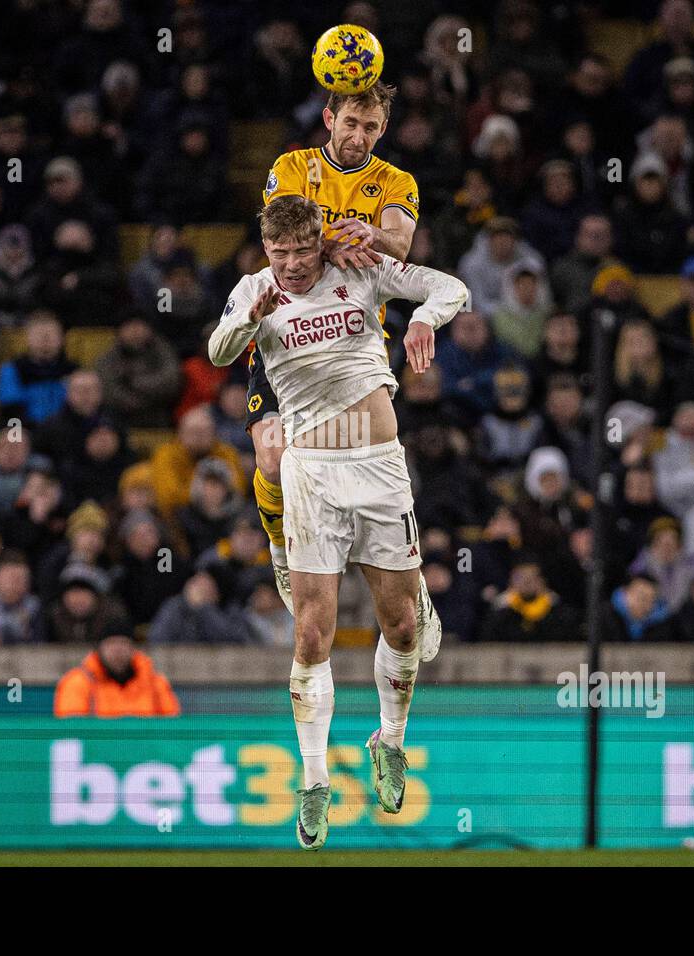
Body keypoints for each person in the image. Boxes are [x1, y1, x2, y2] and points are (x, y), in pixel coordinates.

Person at [209, 194, 467, 849]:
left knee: (402, 622)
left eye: (300, 250)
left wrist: (425, 320)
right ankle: (316, 780)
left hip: (378, 466)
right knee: (311, 635)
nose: (291, 265)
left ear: (319, 241)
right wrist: (250, 321)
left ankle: (390, 740)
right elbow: (217, 352)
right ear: (265, 249)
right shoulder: (255, 289)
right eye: (279, 253)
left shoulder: (361, 268)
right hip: (312, 476)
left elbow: (451, 287)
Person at [246, 81, 439, 659]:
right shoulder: (292, 166)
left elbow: (400, 244)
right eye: (350, 123)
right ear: (329, 117)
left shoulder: (395, 183)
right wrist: (334, 240)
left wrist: (372, 235)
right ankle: (283, 555)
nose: (359, 137)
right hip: (283, 337)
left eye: (371, 128)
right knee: (272, 459)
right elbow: (284, 239)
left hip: (354, 349)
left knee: (368, 477)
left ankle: (411, 582)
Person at [53, 629, 181, 718]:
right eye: (111, 644)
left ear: (133, 649)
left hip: (148, 753)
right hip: (96, 753)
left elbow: (172, 727)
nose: (117, 650)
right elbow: (71, 730)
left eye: (123, 643)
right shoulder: (78, 682)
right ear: (99, 649)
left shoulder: (155, 683)